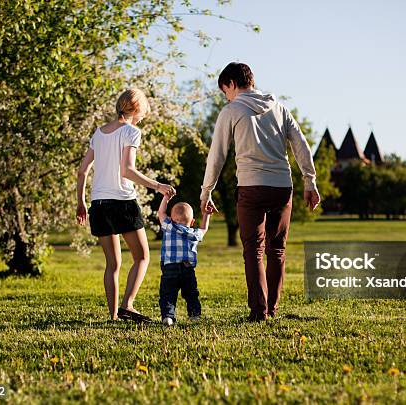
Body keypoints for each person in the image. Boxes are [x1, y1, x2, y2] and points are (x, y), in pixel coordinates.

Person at [200, 62, 320, 322]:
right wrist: (310, 181)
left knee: (253, 251)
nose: (227, 97)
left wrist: (206, 191)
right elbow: (301, 145)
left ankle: (259, 312)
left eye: (225, 92)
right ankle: (272, 309)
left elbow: (217, 155)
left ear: (231, 84)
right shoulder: (279, 107)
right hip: (282, 186)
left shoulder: (231, 110)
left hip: (251, 186)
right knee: (277, 251)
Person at [76, 88, 176, 322]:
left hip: (98, 204)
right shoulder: (132, 132)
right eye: (143, 112)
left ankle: (113, 316)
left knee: (113, 263)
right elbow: (127, 170)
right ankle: (128, 305)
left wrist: (81, 202)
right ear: (136, 109)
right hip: (122, 202)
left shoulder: (99, 133)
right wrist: (158, 186)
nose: (142, 117)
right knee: (142, 257)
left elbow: (82, 171)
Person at [157, 193, 212, 326]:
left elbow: (160, 212)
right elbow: (204, 228)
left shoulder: (169, 227)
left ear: (171, 218)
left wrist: (166, 197)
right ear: (192, 222)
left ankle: (168, 317)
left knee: (168, 294)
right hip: (187, 269)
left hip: (170, 268)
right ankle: (194, 315)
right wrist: (206, 214)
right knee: (191, 294)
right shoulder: (194, 233)